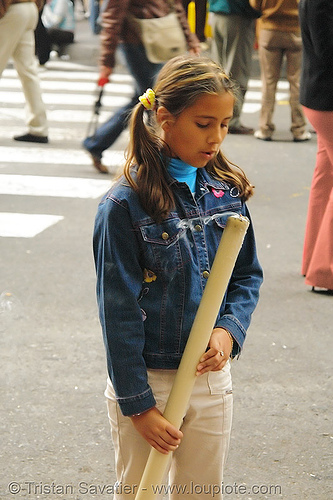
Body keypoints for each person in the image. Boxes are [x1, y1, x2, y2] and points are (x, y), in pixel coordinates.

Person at [93, 55, 263, 499]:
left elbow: (246, 275)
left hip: (208, 378)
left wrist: (228, 330)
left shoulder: (226, 193)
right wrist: (138, 405)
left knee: (201, 493)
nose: (217, 137)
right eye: (204, 123)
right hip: (148, 378)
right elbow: (118, 311)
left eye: (225, 124)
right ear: (164, 119)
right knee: (138, 491)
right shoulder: (124, 206)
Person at [82, 0, 200, 174]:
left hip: (158, 39)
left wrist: (190, 38)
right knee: (153, 101)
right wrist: (107, 61)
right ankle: (159, 160)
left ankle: (98, 143)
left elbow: (175, 6)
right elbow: (112, 18)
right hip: (136, 42)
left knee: (146, 99)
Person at [299, 0, 333, 293]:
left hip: (318, 94)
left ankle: (312, 258)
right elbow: (328, 48)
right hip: (328, 98)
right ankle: (326, 270)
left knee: (325, 177)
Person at [250, 0, 311, 142]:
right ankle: (299, 129)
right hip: (296, 28)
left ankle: (265, 128)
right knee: (296, 81)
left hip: (269, 29)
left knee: (268, 81)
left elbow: (254, 4)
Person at [0, 0, 48, 143]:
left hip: (12, 9)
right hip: (29, 8)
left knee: (28, 71)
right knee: (28, 72)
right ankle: (39, 127)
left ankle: (38, 127)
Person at [209, 0, 260, 135]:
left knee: (217, 71)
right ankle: (231, 119)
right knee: (236, 70)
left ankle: (213, 113)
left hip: (216, 12)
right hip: (238, 13)